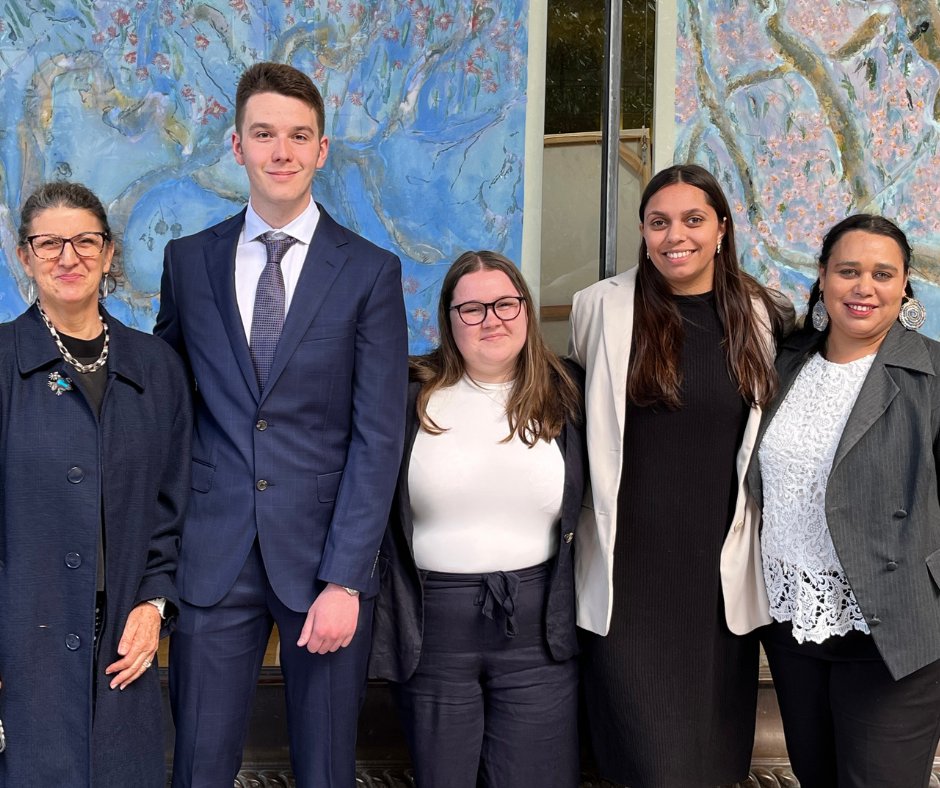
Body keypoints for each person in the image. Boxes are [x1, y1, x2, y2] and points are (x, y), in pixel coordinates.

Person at [154, 61, 407, 787]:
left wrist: (347, 579)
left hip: (324, 563)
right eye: (265, 134)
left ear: (322, 149)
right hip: (213, 559)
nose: (282, 151)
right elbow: (169, 406)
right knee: (199, 766)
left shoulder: (369, 272)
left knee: (324, 769)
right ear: (237, 145)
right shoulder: (188, 261)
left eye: (299, 136)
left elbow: (377, 435)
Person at [568, 163, 794, 787]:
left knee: (712, 766)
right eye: (659, 222)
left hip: (717, 588)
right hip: (627, 583)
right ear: (642, 232)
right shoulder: (600, 309)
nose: (676, 236)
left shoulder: (763, 315)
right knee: (647, 764)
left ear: (721, 227)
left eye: (693, 220)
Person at [369, 250, 585, 787]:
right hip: (431, 633)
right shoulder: (408, 394)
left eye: (506, 304)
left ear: (527, 311)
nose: (492, 319)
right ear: (448, 320)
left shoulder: (567, 393)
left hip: (540, 633)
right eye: (472, 309)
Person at [0, 182, 191, 787]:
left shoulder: (155, 366)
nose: (68, 256)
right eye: (49, 243)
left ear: (109, 254)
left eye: (85, 241)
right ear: (25, 257)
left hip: (122, 645)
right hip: (23, 640)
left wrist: (154, 606)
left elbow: (175, 504)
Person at [749, 214, 940, 787]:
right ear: (824, 278)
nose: (864, 287)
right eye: (849, 271)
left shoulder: (932, 374)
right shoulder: (784, 361)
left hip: (892, 630)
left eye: (883, 274)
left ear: (904, 286)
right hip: (792, 623)